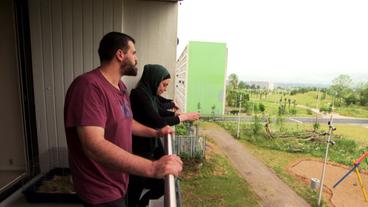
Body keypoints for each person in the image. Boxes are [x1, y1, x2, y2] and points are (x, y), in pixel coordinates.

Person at [64, 32, 182, 207]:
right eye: (133, 53)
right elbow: (93, 146)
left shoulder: (120, 87)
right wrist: (152, 167)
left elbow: (127, 122)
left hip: (119, 181)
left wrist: (156, 132)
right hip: (100, 190)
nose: (136, 59)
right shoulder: (88, 87)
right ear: (120, 54)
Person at [128, 64, 200, 207]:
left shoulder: (149, 94)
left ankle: (141, 202)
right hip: (141, 148)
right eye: (164, 85)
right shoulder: (139, 95)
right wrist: (183, 117)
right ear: (155, 80)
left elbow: (160, 106)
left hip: (150, 143)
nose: (165, 89)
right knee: (137, 186)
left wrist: (173, 110)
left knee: (164, 177)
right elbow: (158, 120)